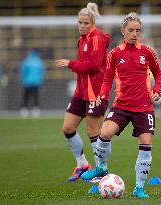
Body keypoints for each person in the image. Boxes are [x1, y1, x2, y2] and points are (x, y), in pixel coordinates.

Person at [81, 12, 161, 198]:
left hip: (144, 108)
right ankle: (101, 168)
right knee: (104, 133)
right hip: (121, 106)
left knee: (145, 142)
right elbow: (107, 78)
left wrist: (157, 88)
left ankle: (139, 188)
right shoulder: (115, 54)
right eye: (131, 30)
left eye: (138, 31)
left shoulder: (147, 52)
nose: (135, 34)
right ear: (123, 31)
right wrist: (102, 95)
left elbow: (158, 73)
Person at [55, 2, 110, 182]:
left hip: (95, 91)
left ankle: (100, 172)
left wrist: (70, 63)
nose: (82, 26)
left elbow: (93, 65)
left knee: (93, 131)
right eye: (80, 22)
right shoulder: (82, 39)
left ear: (92, 22)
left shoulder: (98, 37)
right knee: (68, 127)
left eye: (86, 23)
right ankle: (82, 164)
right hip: (81, 91)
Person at [20, 49, 45, 117]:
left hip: (27, 82)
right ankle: (36, 109)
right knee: (35, 96)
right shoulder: (39, 61)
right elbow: (42, 72)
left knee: (26, 96)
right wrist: (40, 80)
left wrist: (22, 80)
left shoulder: (26, 61)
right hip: (36, 82)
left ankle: (24, 109)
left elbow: (23, 72)